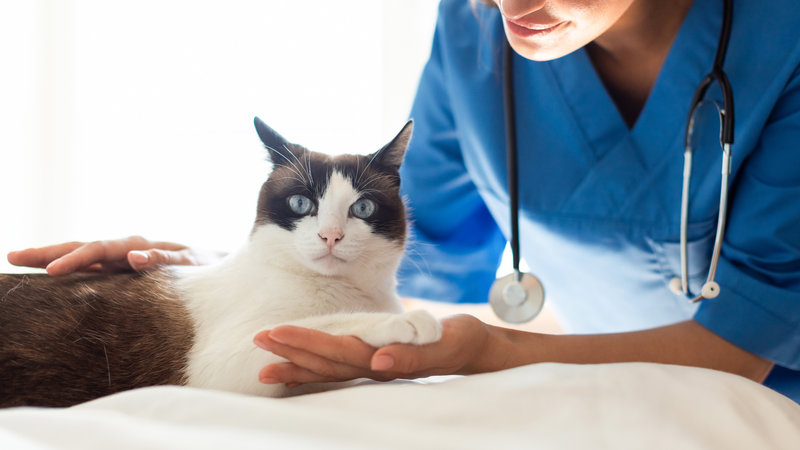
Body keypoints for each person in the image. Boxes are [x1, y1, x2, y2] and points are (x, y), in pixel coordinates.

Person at [9, 0, 800, 402]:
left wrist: (489, 352)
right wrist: (203, 284)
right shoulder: (474, 31)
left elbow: (745, 344)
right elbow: (418, 271)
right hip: (601, 387)